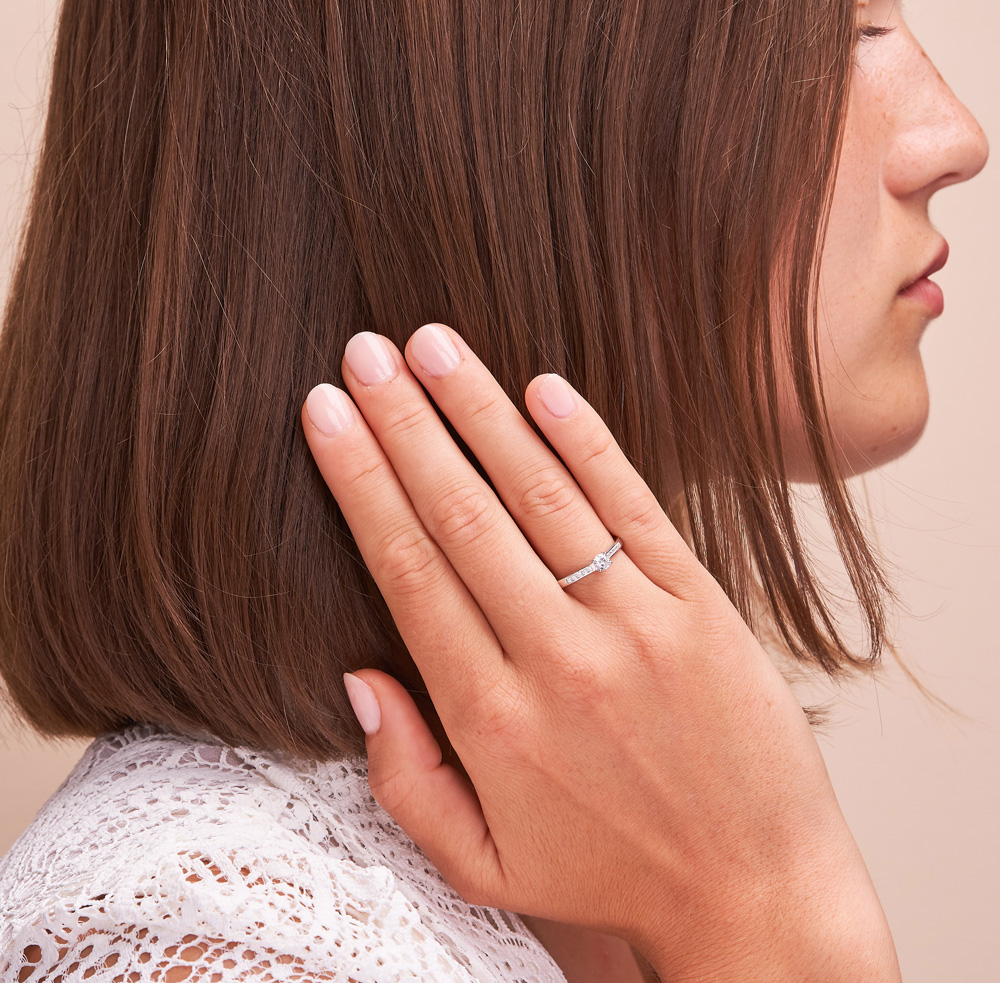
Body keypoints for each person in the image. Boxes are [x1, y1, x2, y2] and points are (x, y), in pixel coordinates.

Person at [0, 0, 987, 981]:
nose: (955, 136)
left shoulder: (609, 836)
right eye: (839, 33)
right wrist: (765, 912)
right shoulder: (217, 949)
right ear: (468, 128)